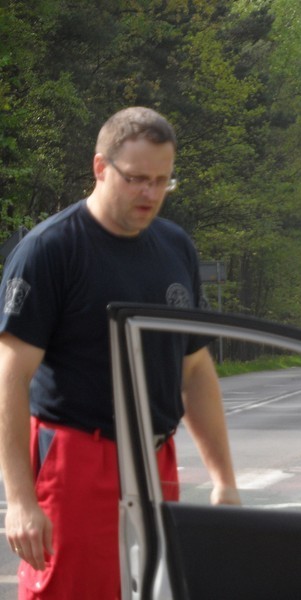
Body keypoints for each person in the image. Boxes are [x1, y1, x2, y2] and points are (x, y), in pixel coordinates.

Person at [0, 106, 241, 599]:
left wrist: (224, 480)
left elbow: (194, 369)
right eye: (136, 179)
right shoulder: (50, 250)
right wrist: (20, 501)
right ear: (99, 167)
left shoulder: (176, 248)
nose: (150, 194)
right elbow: (9, 377)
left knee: (158, 589)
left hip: (157, 458)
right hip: (74, 460)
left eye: (162, 181)